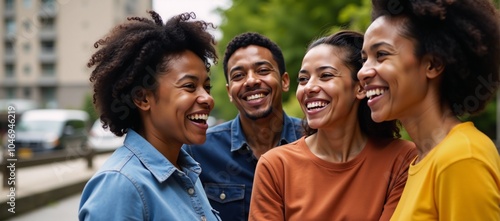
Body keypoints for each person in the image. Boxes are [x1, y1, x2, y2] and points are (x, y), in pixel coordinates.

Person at [248, 30, 417, 221]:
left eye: (326, 75)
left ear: (360, 87)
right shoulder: (275, 166)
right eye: (303, 79)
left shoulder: (402, 159)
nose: (309, 87)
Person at [357, 0, 500, 220]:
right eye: (364, 59)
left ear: (432, 65)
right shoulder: (422, 161)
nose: (362, 72)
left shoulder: (461, 158)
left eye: (382, 55)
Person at [78, 11, 221, 221]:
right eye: (190, 86)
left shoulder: (186, 172)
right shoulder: (121, 185)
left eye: (206, 87)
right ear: (143, 98)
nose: (207, 99)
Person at [183, 32, 303, 221]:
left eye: (263, 70)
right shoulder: (197, 151)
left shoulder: (314, 139)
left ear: (285, 81)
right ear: (230, 92)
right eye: (238, 75)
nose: (251, 81)